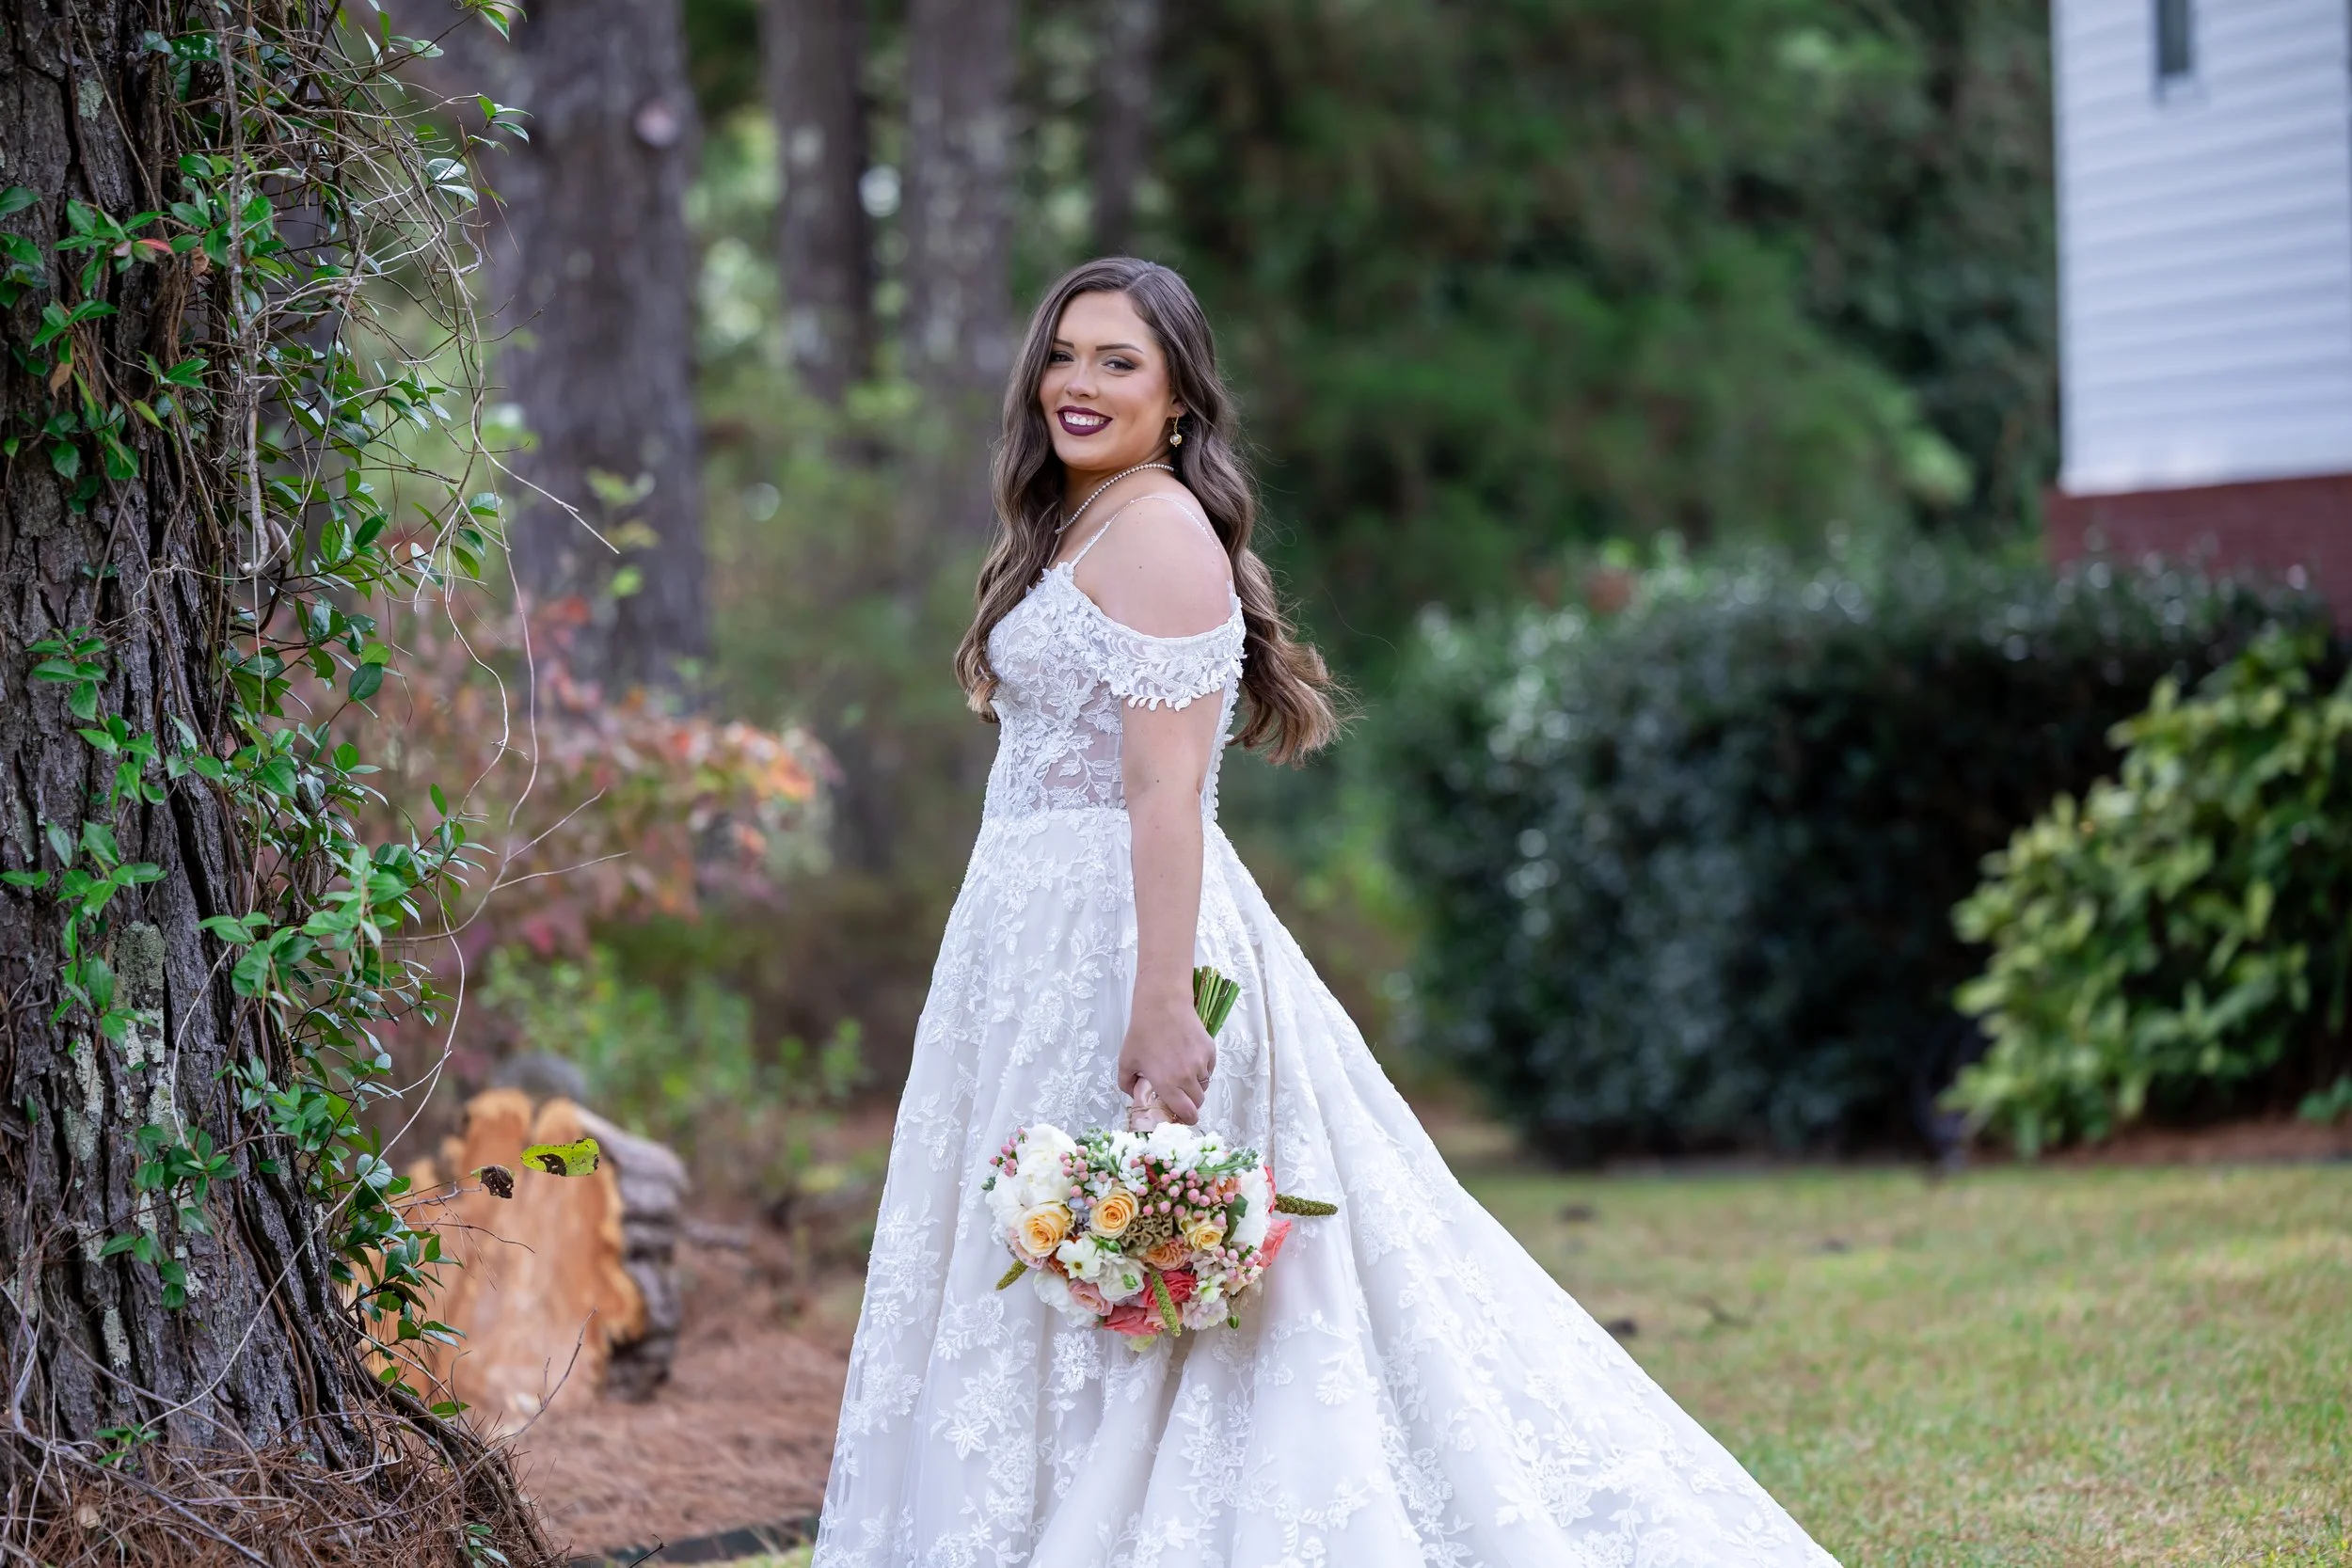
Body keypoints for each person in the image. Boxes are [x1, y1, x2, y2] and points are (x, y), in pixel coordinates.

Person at [811, 258, 1839, 1567]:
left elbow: (1167, 788)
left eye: (1118, 361)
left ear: (1179, 397)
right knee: (1029, 1265)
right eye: (1064, 354)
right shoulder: (1076, 527)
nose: (1078, 382)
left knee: (1151, 1278)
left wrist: (1162, 1000)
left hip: (1126, 939)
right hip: (1020, 945)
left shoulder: (1164, 532)